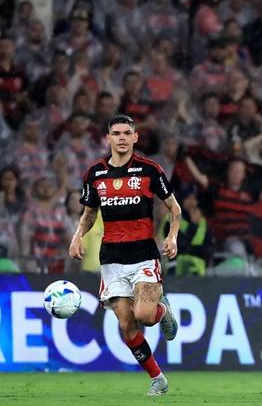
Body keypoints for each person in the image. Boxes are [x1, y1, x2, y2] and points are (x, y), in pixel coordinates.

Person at [68, 115, 182, 396]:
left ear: (135, 137)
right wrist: (77, 236)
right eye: (116, 133)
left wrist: (171, 237)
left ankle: (162, 310)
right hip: (112, 260)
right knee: (126, 324)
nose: (121, 137)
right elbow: (90, 213)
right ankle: (158, 379)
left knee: (144, 314)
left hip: (144, 254)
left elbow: (174, 209)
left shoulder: (150, 170)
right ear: (108, 138)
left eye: (126, 133)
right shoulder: (95, 173)